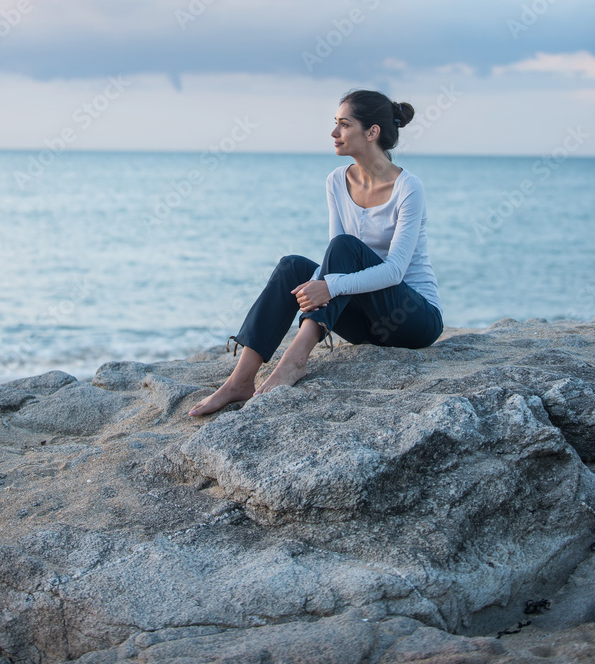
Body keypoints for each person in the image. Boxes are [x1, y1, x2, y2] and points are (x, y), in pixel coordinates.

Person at [188, 88, 444, 417]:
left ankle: (295, 361)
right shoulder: (337, 181)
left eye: (344, 125)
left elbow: (394, 270)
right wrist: (322, 284)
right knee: (291, 266)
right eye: (334, 124)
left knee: (343, 249)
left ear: (372, 132)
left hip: (413, 319)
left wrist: (330, 286)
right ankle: (240, 379)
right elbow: (335, 262)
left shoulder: (409, 188)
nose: (334, 133)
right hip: (366, 325)